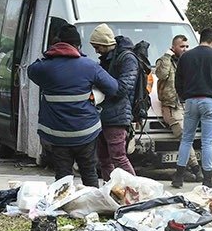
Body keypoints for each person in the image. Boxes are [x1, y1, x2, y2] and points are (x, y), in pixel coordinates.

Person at [26, 23, 118, 187]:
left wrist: (49, 55)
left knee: (62, 175)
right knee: (89, 171)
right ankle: (92, 207)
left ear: (56, 44)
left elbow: (31, 70)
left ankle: (63, 207)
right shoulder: (89, 66)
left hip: (56, 134)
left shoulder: (44, 67)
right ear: (78, 45)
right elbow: (113, 87)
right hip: (86, 132)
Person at [173, 28, 212, 189]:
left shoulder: (186, 56)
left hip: (191, 101)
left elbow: (178, 80)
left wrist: (183, 96)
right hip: (210, 102)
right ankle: (207, 178)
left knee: (187, 138)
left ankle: (178, 177)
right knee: (207, 141)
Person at [89, 24, 138, 180]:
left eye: (97, 46)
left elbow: (123, 88)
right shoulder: (107, 59)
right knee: (104, 160)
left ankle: (135, 192)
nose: (96, 50)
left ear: (105, 43)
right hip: (103, 115)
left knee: (118, 157)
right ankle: (110, 192)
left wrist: (100, 83)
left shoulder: (127, 58)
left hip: (117, 115)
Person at [154, 35, 189, 143]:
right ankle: (193, 160)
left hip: (189, 103)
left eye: (187, 46)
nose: (185, 49)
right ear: (173, 48)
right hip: (173, 105)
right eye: (182, 46)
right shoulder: (165, 60)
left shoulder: (189, 60)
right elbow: (162, 75)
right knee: (184, 136)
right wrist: (167, 56)